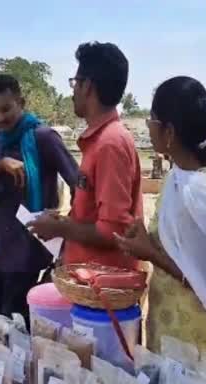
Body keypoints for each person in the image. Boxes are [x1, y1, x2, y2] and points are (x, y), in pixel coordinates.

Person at [115, 76, 206, 364]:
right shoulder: (177, 176)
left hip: (194, 334)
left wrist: (149, 253)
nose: (147, 126)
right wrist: (144, 237)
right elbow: (179, 248)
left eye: (152, 119)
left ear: (169, 132)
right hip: (170, 323)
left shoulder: (201, 190)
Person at [0, 74, 78, 321]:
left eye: (6, 109)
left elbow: (79, 186)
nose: (0, 117)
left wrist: (67, 232)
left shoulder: (44, 138)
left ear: (21, 102)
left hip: (36, 259)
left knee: (30, 336)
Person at [28, 42, 142, 270]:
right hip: (90, 282)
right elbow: (95, 216)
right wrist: (63, 222)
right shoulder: (101, 140)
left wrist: (59, 229)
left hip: (103, 290)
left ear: (88, 86)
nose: (73, 91)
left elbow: (114, 231)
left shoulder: (110, 144)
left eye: (75, 83)